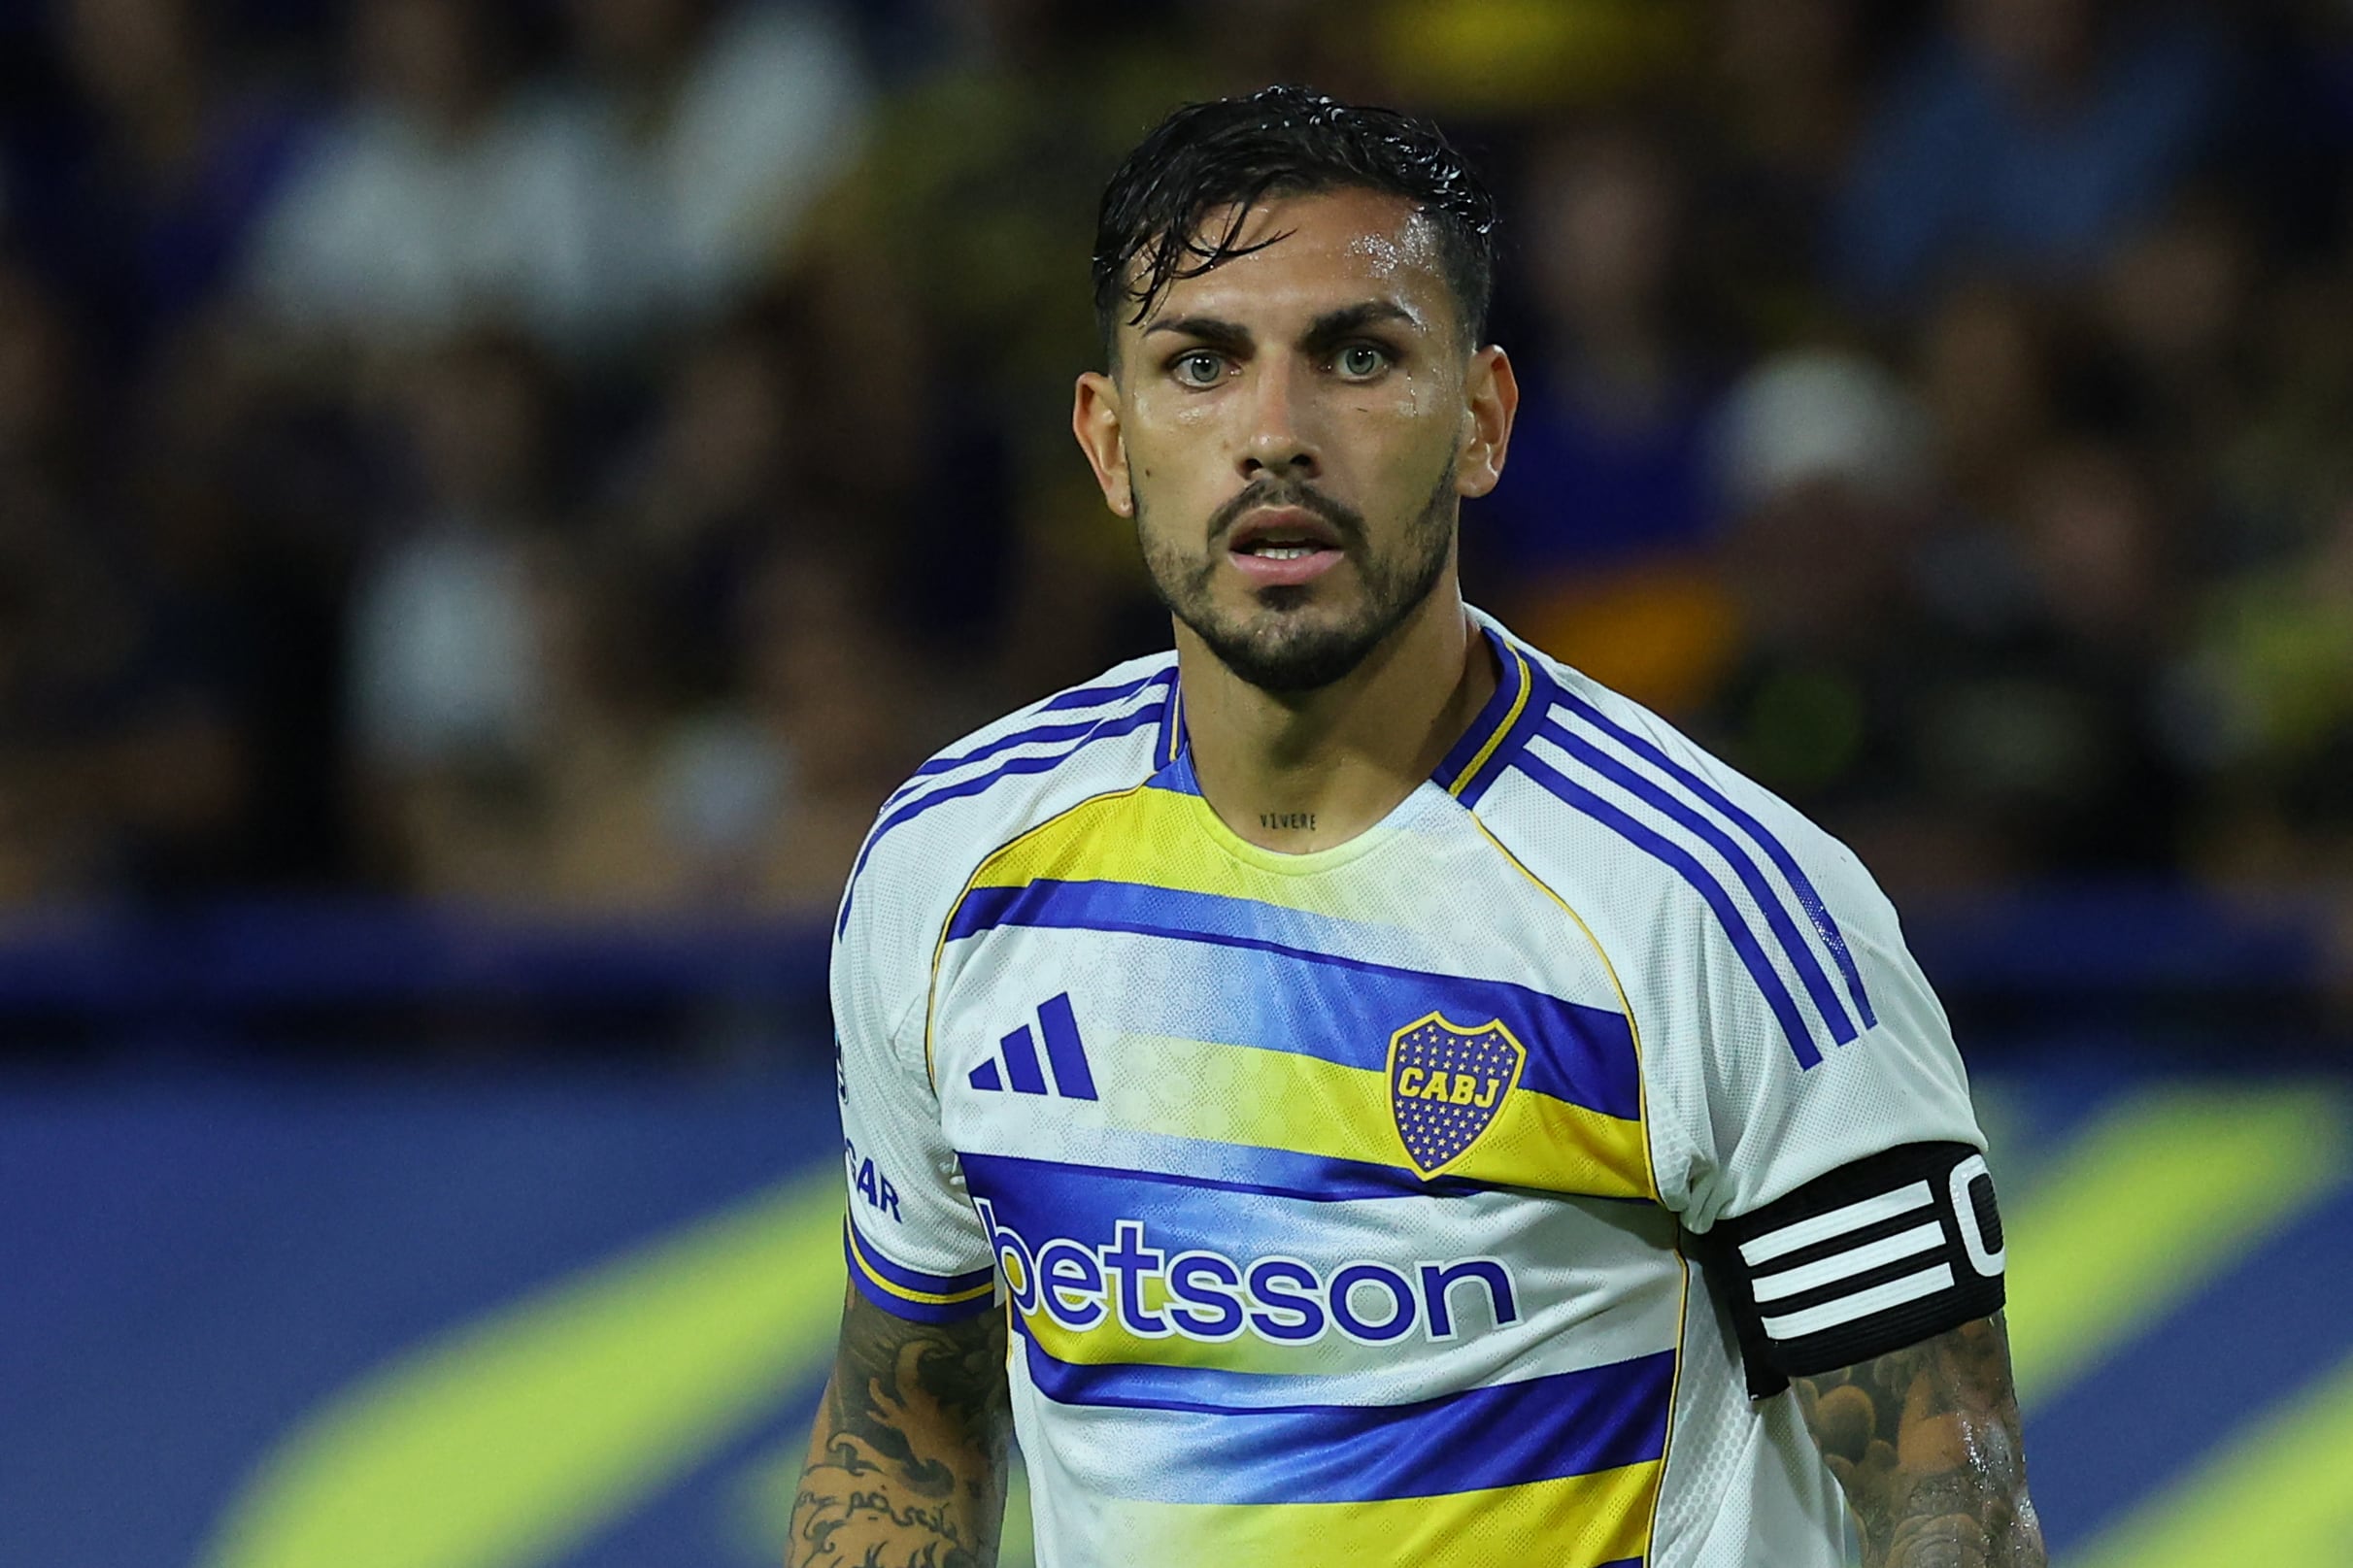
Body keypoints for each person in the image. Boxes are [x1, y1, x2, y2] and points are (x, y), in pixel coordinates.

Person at [790, 86, 2044, 1568]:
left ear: (1482, 420)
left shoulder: (1717, 910)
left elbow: (1944, 1499)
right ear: (1109, 440)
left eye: (1358, 357)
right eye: (1201, 364)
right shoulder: (952, 871)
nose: (1274, 434)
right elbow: (908, 1425)